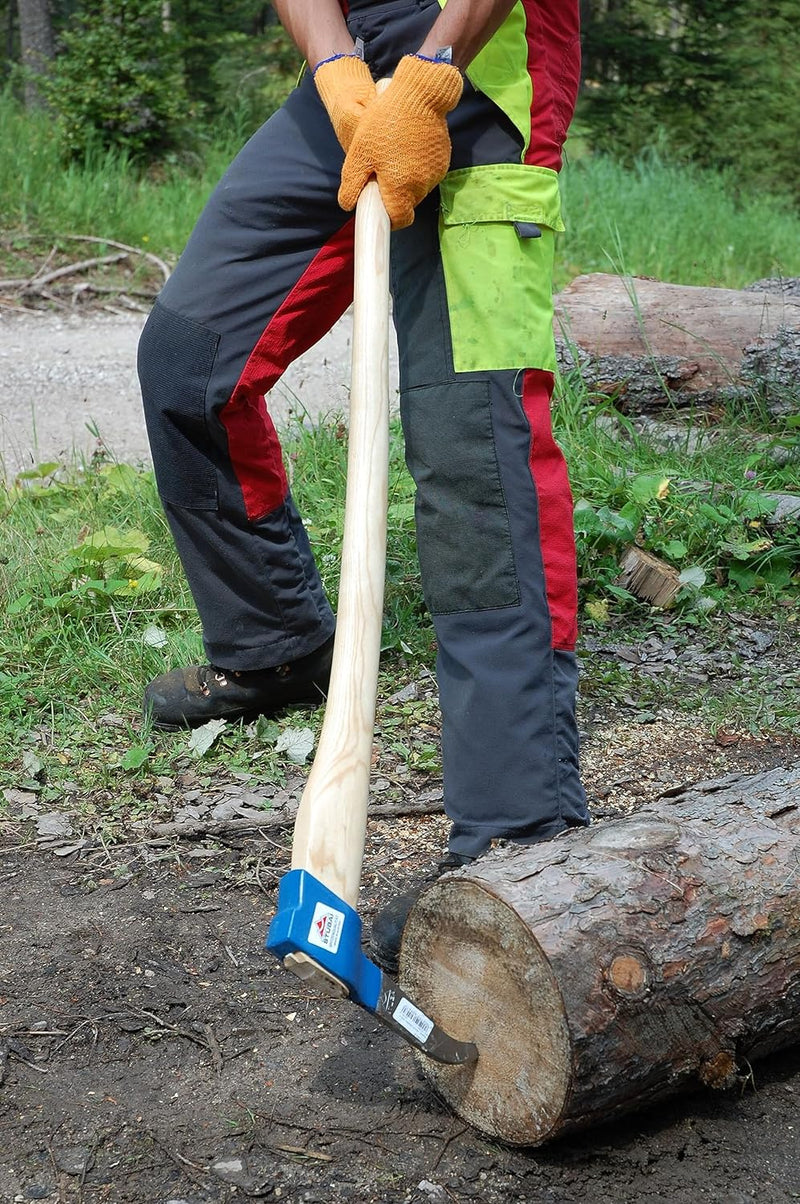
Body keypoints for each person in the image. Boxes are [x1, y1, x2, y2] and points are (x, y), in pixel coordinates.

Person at [138, 0, 590, 971]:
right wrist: (335, 61)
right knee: (188, 361)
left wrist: (433, 69)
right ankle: (273, 642)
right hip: (349, 67)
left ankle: (517, 834)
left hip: (485, 54)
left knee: (473, 442)